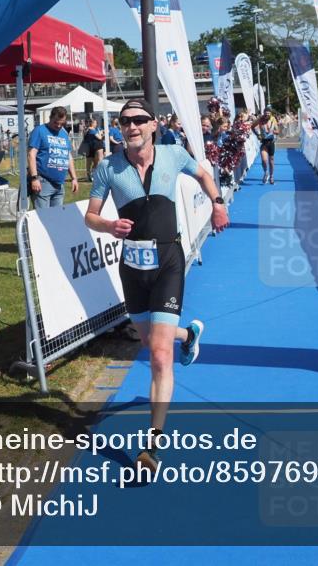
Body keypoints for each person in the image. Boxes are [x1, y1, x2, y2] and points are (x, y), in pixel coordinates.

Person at [84, 99, 230, 472]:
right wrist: (108, 226)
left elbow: (204, 175)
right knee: (152, 341)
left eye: (138, 120)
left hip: (168, 261)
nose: (131, 126)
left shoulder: (173, 153)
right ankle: (188, 336)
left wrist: (217, 203)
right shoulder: (108, 167)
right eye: (125, 121)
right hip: (132, 267)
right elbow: (91, 215)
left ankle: (153, 446)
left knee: (159, 356)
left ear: (152, 125)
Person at [28, 107, 79, 208]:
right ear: (50, 117)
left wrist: (74, 178)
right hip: (43, 182)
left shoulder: (63, 134)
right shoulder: (39, 130)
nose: (58, 125)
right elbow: (31, 154)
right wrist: (34, 178)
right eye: (56, 122)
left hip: (59, 184)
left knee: (57, 218)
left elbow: (68, 156)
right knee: (43, 217)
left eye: (62, 123)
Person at [254, 108, 279, 184]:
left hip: (271, 142)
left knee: (271, 160)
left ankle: (271, 176)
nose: (267, 114)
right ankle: (266, 172)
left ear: (270, 113)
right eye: (266, 113)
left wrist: (272, 131)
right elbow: (252, 127)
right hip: (264, 142)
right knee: (264, 160)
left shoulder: (273, 119)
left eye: (268, 113)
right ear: (263, 113)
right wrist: (257, 134)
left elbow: (278, 131)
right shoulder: (260, 119)